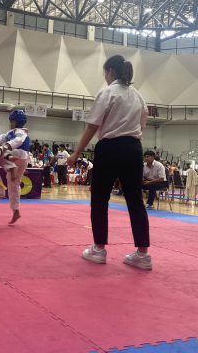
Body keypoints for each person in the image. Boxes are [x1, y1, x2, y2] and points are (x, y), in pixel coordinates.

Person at [67, 54, 152, 270]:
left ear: (110, 72)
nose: (105, 77)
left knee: (100, 198)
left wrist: (76, 153)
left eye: (105, 73)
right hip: (134, 148)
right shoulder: (138, 96)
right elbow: (142, 124)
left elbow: (92, 126)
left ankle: (99, 249)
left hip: (110, 148)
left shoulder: (107, 92)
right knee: (135, 200)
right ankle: (143, 254)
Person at [0, 110, 31, 224]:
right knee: (13, 184)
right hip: (21, 158)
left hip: (19, 154)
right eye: (11, 121)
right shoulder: (9, 133)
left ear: (18, 122)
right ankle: (16, 211)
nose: (11, 123)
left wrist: (6, 146)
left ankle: (9, 159)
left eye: (12, 121)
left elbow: (18, 141)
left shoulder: (21, 132)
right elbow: (0, 138)